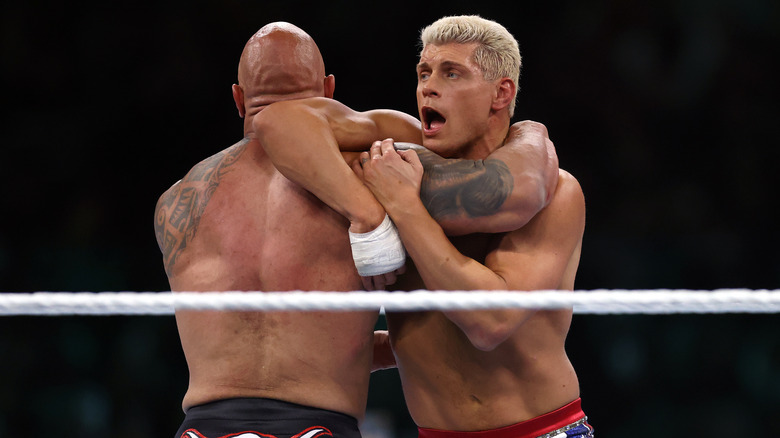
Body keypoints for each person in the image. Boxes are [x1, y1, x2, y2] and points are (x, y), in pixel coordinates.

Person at [153, 22, 421, 438]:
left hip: (203, 428)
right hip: (318, 424)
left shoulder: (176, 202)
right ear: (329, 92)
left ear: (239, 98)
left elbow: (260, 332)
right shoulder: (370, 174)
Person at [357, 16, 592, 438]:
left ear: (501, 94)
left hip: (539, 431)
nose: (428, 86)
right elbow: (429, 331)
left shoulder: (556, 193)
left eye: (452, 73)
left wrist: (405, 208)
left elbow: (490, 322)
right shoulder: (397, 175)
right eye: (424, 73)